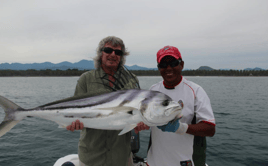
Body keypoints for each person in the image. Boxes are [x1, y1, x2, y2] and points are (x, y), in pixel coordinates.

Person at [135, 46, 216, 166]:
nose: (168, 68)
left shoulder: (196, 91)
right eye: (163, 64)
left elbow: (210, 129)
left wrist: (181, 128)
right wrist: (142, 124)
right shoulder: (153, 90)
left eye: (173, 63)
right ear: (158, 68)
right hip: (154, 162)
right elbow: (146, 118)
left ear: (181, 65)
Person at [66, 36, 139, 166]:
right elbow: (75, 110)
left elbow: (136, 112)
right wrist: (72, 122)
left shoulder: (132, 80)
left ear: (122, 56)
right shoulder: (86, 79)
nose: (113, 54)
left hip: (121, 157)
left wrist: (141, 122)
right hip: (91, 156)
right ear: (100, 53)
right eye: (108, 50)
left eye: (118, 52)